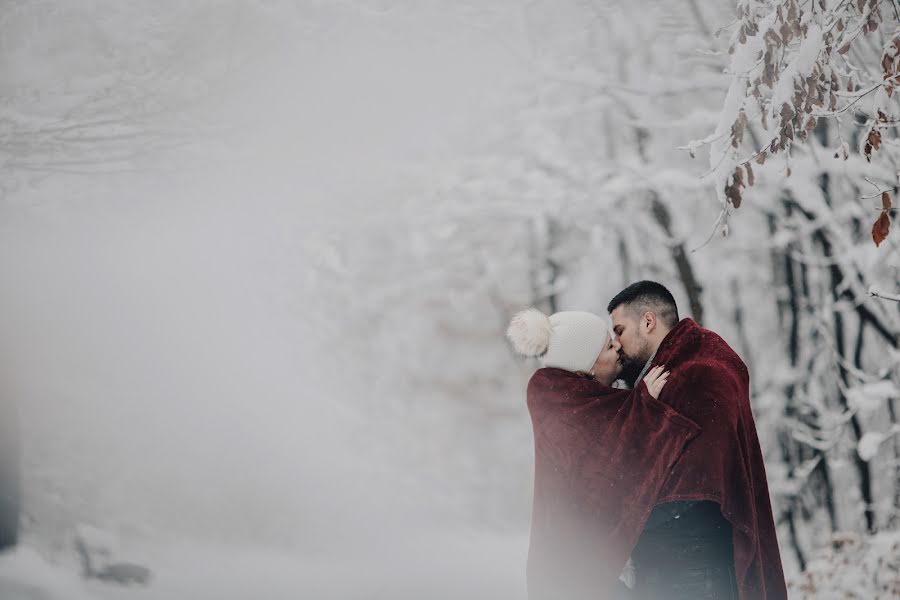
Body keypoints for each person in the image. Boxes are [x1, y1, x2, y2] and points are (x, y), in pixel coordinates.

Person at [607, 281, 788, 600]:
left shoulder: (698, 374)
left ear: (648, 322)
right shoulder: (679, 368)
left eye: (619, 330)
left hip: (694, 572)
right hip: (679, 568)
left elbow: (691, 491)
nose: (616, 344)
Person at [508, 308, 701, 600]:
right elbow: (606, 469)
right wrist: (644, 406)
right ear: (586, 368)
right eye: (609, 347)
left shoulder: (575, 405)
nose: (619, 349)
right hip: (574, 578)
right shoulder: (569, 413)